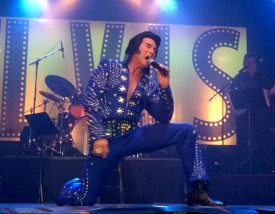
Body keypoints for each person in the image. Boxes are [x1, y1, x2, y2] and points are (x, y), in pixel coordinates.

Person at [56, 31, 223, 206]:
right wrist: (98, 136)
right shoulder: (109, 67)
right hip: (106, 141)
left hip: (134, 137)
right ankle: (72, 187)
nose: (152, 52)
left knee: (187, 130)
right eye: (148, 46)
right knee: (85, 200)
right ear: (136, 46)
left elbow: (164, 117)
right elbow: (90, 98)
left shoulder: (148, 85)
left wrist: (164, 87)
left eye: (155, 50)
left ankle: (197, 190)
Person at [229, 53, 275, 174]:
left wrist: (270, 92)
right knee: (241, 136)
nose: (250, 65)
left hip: (260, 113)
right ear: (244, 64)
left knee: (263, 137)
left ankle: (267, 165)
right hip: (243, 113)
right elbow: (233, 93)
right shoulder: (238, 77)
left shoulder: (263, 77)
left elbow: (269, 93)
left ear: (256, 64)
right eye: (247, 63)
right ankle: (242, 164)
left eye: (252, 62)